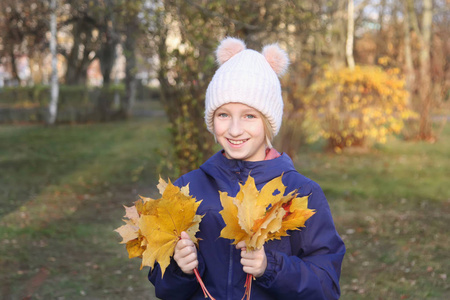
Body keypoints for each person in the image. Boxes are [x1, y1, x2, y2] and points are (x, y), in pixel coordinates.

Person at [149, 37, 346, 300]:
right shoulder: (188, 189)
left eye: (249, 116)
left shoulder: (301, 194)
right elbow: (163, 288)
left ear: (268, 121)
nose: (234, 129)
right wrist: (180, 270)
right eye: (223, 115)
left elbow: (326, 287)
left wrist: (270, 268)